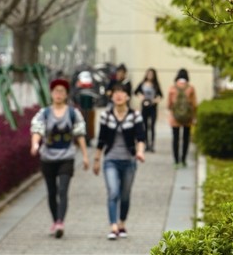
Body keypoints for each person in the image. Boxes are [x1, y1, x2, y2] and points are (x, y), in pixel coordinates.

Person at [30, 77, 89, 239]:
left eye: (62, 91)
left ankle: (60, 222)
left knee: (63, 190)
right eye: (56, 91)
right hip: (48, 157)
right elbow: (37, 129)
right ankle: (55, 219)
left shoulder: (73, 113)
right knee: (51, 191)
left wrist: (85, 156)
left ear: (66, 94)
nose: (58, 94)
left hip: (66, 157)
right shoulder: (44, 113)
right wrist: (35, 144)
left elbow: (80, 135)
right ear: (51, 94)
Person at [93, 83, 146, 240]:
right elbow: (101, 140)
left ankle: (122, 222)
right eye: (116, 92)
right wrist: (96, 160)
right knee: (113, 192)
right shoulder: (106, 116)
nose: (119, 95)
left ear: (128, 96)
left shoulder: (135, 116)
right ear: (112, 96)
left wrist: (140, 152)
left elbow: (141, 137)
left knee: (125, 195)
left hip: (129, 161)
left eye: (122, 92)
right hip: (111, 160)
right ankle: (113, 225)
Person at [167, 68, 197, 168]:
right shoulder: (190, 88)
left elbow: (169, 104)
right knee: (185, 138)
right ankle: (183, 160)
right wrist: (193, 116)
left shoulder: (172, 88)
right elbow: (194, 104)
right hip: (187, 118)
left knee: (175, 138)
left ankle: (176, 161)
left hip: (175, 117)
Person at [134, 68, 163, 152]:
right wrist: (141, 97)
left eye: (151, 74)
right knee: (145, 127)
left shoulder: (156, 85)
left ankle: (152, 145)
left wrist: (155, 100)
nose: (150, 76)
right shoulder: (142, 84)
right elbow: (136, 92)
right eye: (148, 74)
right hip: (144, 107)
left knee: (152, 126)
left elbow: (160, 95)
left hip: (153, 107)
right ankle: (146, 144)